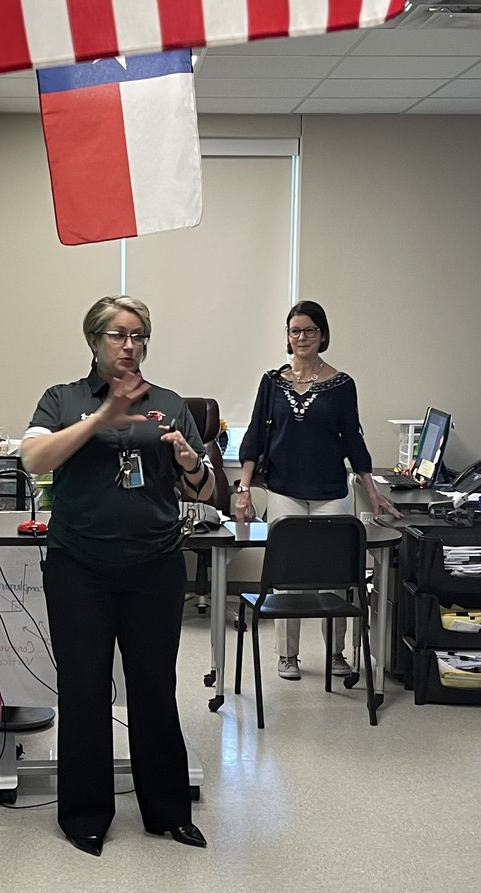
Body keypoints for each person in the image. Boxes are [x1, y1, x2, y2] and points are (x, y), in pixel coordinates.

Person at [21, 295, 213, 857]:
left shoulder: (170, 404)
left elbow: (205, 489)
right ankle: (85, 816)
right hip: (79, 568)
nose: (130, 346)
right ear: (94, 340)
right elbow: (34, 459)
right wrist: (100, 420)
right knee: (83, 689)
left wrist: (189, 462)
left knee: (154, 686)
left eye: (139, 336)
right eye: (118, 335)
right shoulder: (63, 399)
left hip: (155, 566)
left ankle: (168, 812)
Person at [235, 299, 400, 681]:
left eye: (310, 330)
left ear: (322, 335)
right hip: (283, 489)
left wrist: (373, 492)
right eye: (295, 330)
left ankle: (336, 653)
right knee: (286, 575)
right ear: (287, 336)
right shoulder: (272, 383)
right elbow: (254, 438)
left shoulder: (342, 385)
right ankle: (287, 655)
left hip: (330, 491)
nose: (302, 337)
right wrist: (243, 490)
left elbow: (354, 442)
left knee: (335, 577)